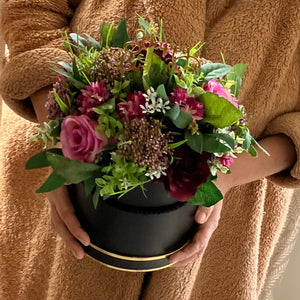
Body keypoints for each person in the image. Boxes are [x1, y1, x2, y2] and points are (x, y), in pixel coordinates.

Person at [0, 0, 299, 299]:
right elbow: (31, 10)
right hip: (59, 175)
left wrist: (229, 174)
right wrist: (59, 136)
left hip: (228, 217)